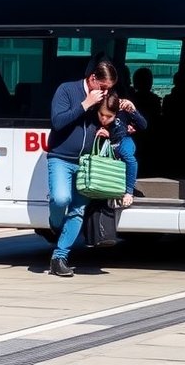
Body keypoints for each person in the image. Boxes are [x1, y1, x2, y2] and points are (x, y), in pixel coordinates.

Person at [46, 59, 118, 277]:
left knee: (77, 210)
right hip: (60, 157)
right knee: (60, 199)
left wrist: (109, 130)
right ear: (93, 79)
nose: (105, 92)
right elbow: (57, 122)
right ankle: (55, 223)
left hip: (87, 162)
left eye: (109, 89)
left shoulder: (103, 99)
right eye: (103, 87)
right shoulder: (67, 90)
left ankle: (60, 257)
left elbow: (113, 122)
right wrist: (85, 104)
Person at [94, 92, 147, 208]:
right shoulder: (95, 115)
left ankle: (129, 192)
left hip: (124, 140)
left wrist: (133, 110)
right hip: (109, 146)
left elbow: (143, 125)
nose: (104, 119)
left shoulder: (123, 112)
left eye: (109, 117)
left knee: (128, 157)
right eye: (101, 114)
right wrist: (100, 131)